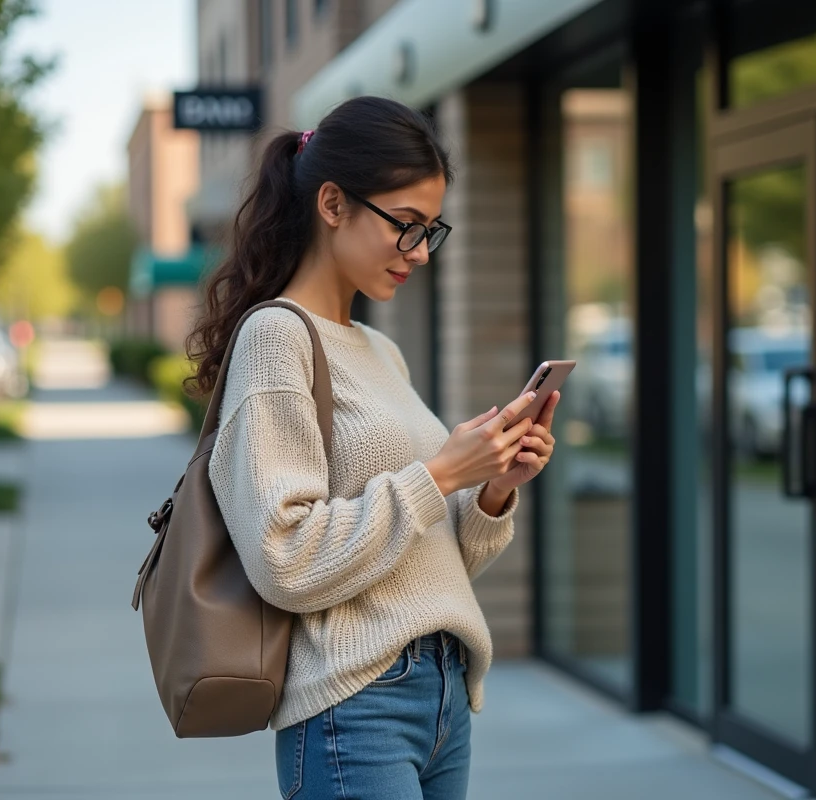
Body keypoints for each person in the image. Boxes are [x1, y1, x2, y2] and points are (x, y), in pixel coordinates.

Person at [184, 95, 558, 800]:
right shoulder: (276, 337)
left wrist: (491, 488)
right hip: (355, 706)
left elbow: (427, 563)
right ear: (333, 203)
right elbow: (285, 559)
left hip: (445, 696)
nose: (420, 252)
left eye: (431, 230)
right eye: (405, 225)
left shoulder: (382, 351)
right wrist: (439, 474)